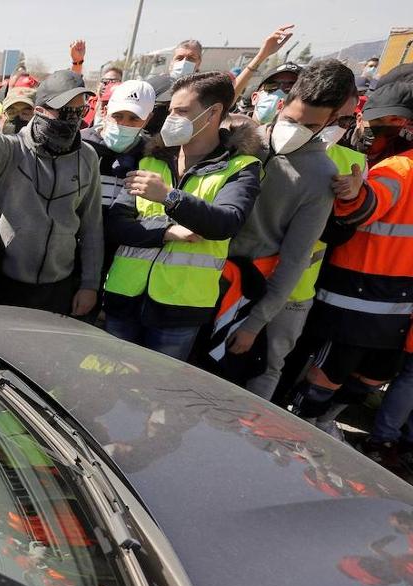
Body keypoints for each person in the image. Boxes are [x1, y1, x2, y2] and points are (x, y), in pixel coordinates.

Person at [102, 72, 263, 359]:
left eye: (182, 111)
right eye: (170, 110)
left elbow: (226, 222)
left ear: (213, 113)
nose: (171, 118)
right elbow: (116, 223)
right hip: (123, 297)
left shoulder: (240, 167)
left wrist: (169, 197)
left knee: (157, 391)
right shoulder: (152, 159)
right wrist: (164, 233)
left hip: (179, 311)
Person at [287, 77, 413, 434]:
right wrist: (356, 193)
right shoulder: (397, 168)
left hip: (392, 303)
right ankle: (301, 427)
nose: (372, 132)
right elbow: (369, 203)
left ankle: (320, 424)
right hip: (354, 300)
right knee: (330, 374)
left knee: (372, 376)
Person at [226, 60, 356, 399]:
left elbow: (296, 258)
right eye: (290, 120)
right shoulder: (245, 140)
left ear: (328, 123)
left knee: (260, 372)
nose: (296, 129)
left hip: (256, 291)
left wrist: (255, 324)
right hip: (210, 278)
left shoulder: (320, 176)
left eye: (310, 125)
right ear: (281, 104)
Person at [0, 69, 104, 316]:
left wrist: (90, 285)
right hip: (5, 284)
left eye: (78, 112)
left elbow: (92, 227)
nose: (72, 119)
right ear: (40, 111)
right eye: (64, 111)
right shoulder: (14, 150)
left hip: (58, 288)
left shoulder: (88, 158)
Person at [80, 80, 156, 280]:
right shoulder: (81, 146)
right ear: (105, 111)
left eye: (134, 119)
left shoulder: (151, 157)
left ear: (148, 119)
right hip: (75, 251)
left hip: (122, 257)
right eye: (118, 116)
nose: (124, 124)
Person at [232, 24, 296, 108]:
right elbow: (228, 100)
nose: (280, 92)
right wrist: (262, 55)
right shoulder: (237, 120)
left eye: (290, 87)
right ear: (255, 96)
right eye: (273, 86)